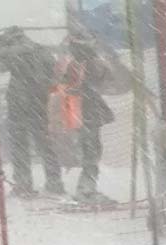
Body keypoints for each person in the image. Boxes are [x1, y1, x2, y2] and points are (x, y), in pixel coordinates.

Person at [0, 26, 63, 198]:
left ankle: (23, 184)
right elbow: (55, 75)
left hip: (18, 102)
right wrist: (46, 89)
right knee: (45, 144)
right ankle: (54, 182)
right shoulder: (41, 50)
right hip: (38, 101)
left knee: (19, 145)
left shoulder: (9, 52)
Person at [54, 33, 115, 204]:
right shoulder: (86, 64)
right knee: (91, 153)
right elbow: (106, 77)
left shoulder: (72, 63)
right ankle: (86, 190)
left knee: (90, 152)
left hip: (78, 113)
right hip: (86, 114)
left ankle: (86, 188)